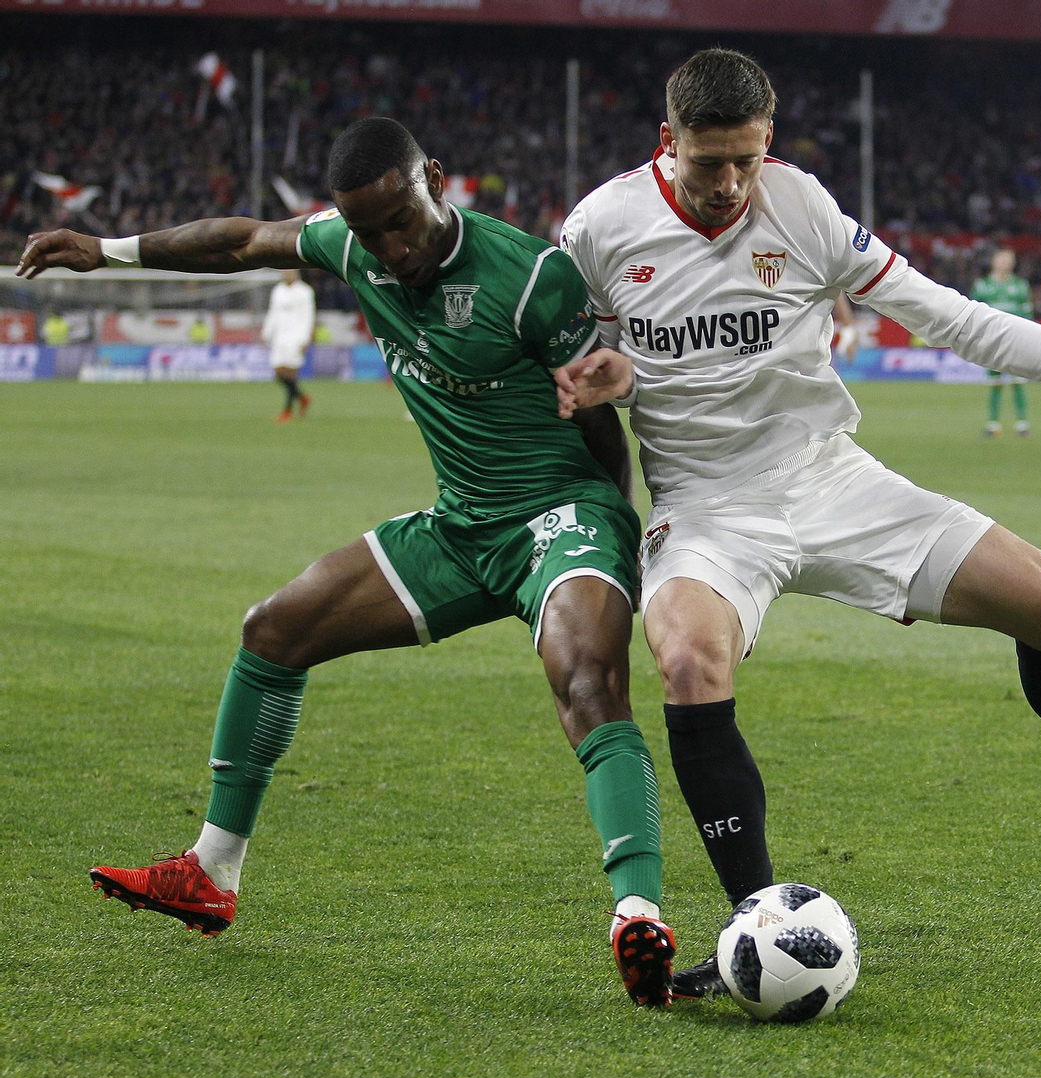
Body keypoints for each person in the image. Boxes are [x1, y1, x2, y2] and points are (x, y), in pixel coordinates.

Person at [555, 49, 1041, 1001]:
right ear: (668, 143)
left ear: (768, 141)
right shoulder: (600, 228)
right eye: (709, 164)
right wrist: (605, 375)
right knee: (692, 662)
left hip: (830, 480)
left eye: (747, 159)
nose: (730, 184)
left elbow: (943, 314)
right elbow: (580, 360)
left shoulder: (804, 207)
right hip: (704, 508)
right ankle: (756, 926)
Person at [15, 117, 678, 1007]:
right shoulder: (355, 246)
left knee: (587, 677)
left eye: (401, 220)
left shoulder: (532, 279)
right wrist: (107, 248)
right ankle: (211, 871)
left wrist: (611, 541)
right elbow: (246, 240)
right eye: (368, 232)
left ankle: (636, 915)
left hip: (559, 516)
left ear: (435, 179)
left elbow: (601, 426)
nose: (390, 248)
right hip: (460, 527)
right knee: (274, 630)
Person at [972, 247, 1032, 437]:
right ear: (994, 261)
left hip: (1015, 340)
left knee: (1017, 381)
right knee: (995, 382)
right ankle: (993, 424)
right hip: (992, 341)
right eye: (1003, 259)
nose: (1006, 263)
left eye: (1009, 259)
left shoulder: (1021, 286)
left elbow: (1028, 315)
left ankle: (1022, 424)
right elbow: (972, 313)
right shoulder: (982, 286)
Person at [262, 268, 316, 422]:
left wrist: (305, 339)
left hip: (296, 337)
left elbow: (309, 316)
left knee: (290, 374)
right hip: (280, 337)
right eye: (284, 271)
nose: (286, 274)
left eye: (289, 271)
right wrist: (267, 332)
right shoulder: (278, 291)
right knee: (278, 372)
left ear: (296, 272)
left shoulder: (305, 292)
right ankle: (303, 398)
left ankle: (287, 411)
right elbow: (272, 313)